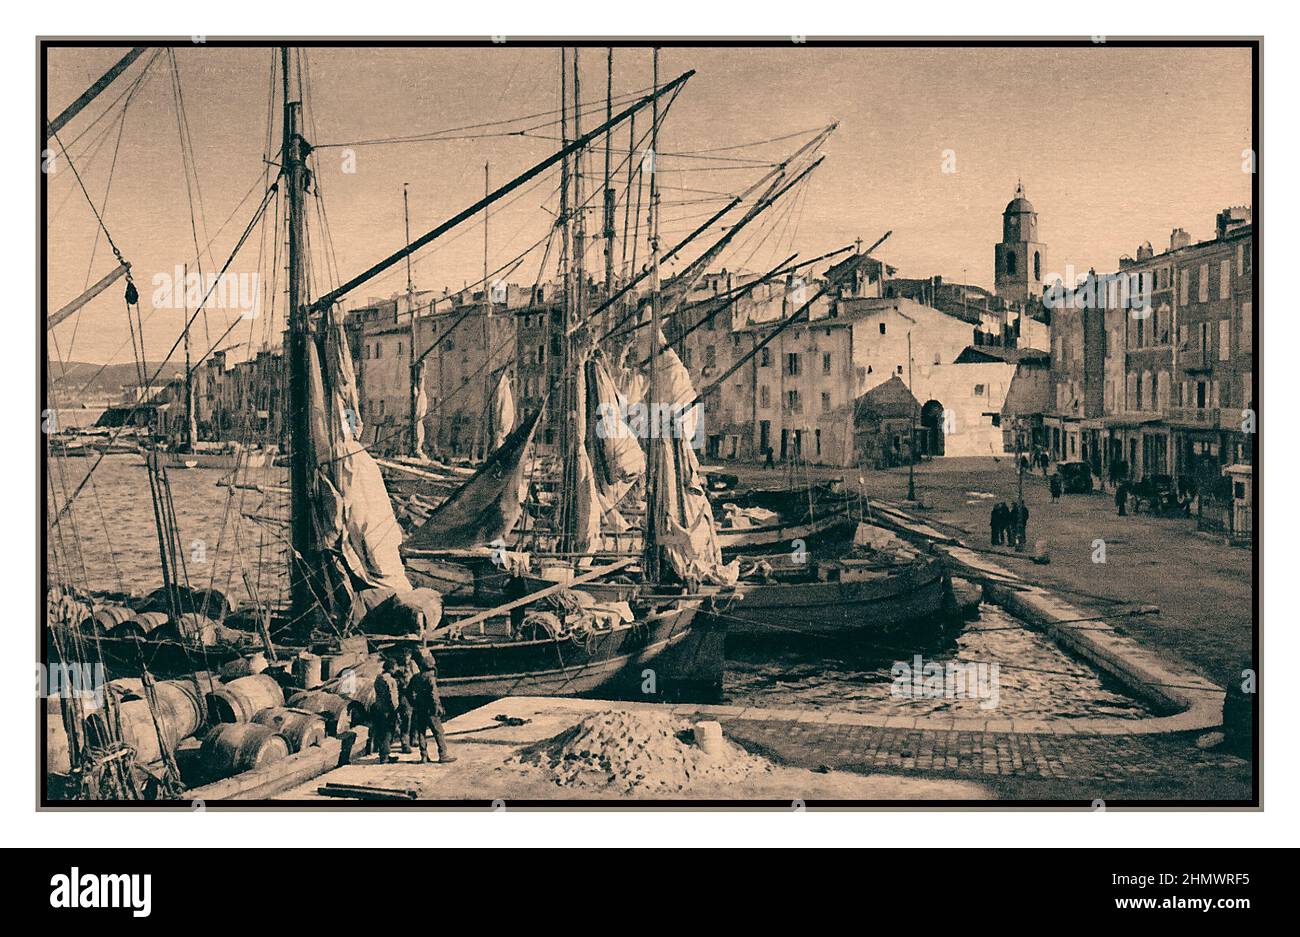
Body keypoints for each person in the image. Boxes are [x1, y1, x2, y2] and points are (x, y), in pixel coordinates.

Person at [408, 649, 455, 764]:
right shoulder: (430, 678)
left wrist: (414, 704)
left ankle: (424, 756)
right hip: (430, 709)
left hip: (419, 709)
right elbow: (434, 694)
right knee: (438, 732)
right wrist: (437, 706)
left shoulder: (415, 678)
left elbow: (409, 693)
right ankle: (443, 755)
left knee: (421, 732)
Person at [371, 660, 401, 765]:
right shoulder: (391, 680)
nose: (397, 669)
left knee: (381, 732)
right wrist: (396, 710)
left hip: (379, 709)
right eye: (396, 666)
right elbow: (392, 697)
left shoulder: (378, 678)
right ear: (391, 668)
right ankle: (385, 756)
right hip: (388, 710)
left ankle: (384, 755)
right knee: (388, 733)